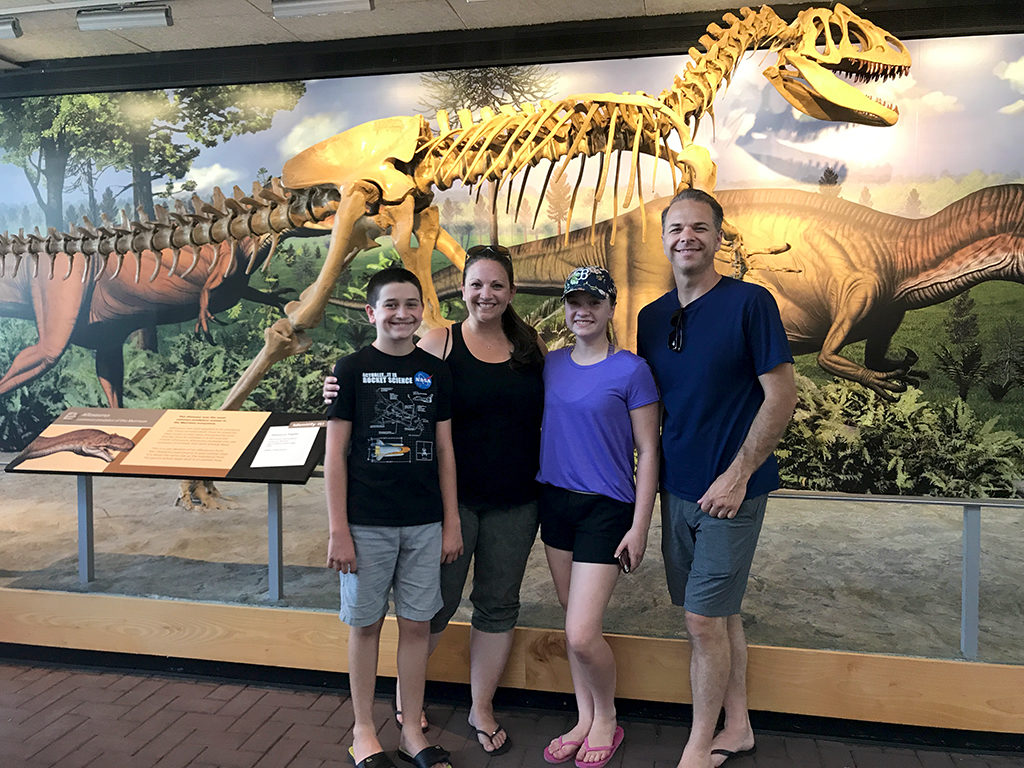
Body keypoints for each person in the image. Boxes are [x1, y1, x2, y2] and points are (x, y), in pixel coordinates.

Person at [324, 245, 545, 756]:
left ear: (511, 292)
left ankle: (473, 708)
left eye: (497, 285)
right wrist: (336, 387)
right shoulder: (437, 345)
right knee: (419, 612)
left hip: (504, 501)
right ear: (460, 289)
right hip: (433, 508)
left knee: (489, 605)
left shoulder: (530, 348)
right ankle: (393, 715)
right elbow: (375, 381)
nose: (486, 294)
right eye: (476, 284)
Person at [635, 189, 797, 768]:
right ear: (663, 238)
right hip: (675, 491)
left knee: (701, 619)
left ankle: (698, 745)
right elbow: (648, 408)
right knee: (719, 612)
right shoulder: (650, 319)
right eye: (676, 227)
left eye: (700, 228)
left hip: (732, 493)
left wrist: (738, 474)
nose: (687, 237)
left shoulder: (751, 303)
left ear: (718, 236)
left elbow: (782, 395)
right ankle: (740, 726)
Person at [324, 266, 461, 768]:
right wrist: (339, 529)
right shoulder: (350, 369)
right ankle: (363, 730)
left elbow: (445, 450)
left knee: (418, 626)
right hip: (365, 523)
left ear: (421, 310)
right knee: (365, 625)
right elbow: (334, 455)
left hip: (424, 523)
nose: (402, 314)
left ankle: (411, 731)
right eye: (391, 305)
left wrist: (450, 522)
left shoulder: (436, 370)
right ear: (371, 313)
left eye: (411, 304)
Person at [539, 266, 660, 768]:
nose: (582, 311)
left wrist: (640, 525)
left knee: (582, 632)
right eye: (574, 302)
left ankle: (607, 717)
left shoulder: (632, 370)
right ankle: (584, 716)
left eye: (593, 302)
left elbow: (649, 451)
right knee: (572, 625)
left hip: (607, 508)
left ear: (611, 308)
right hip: (555, 502)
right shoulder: (550, 364)